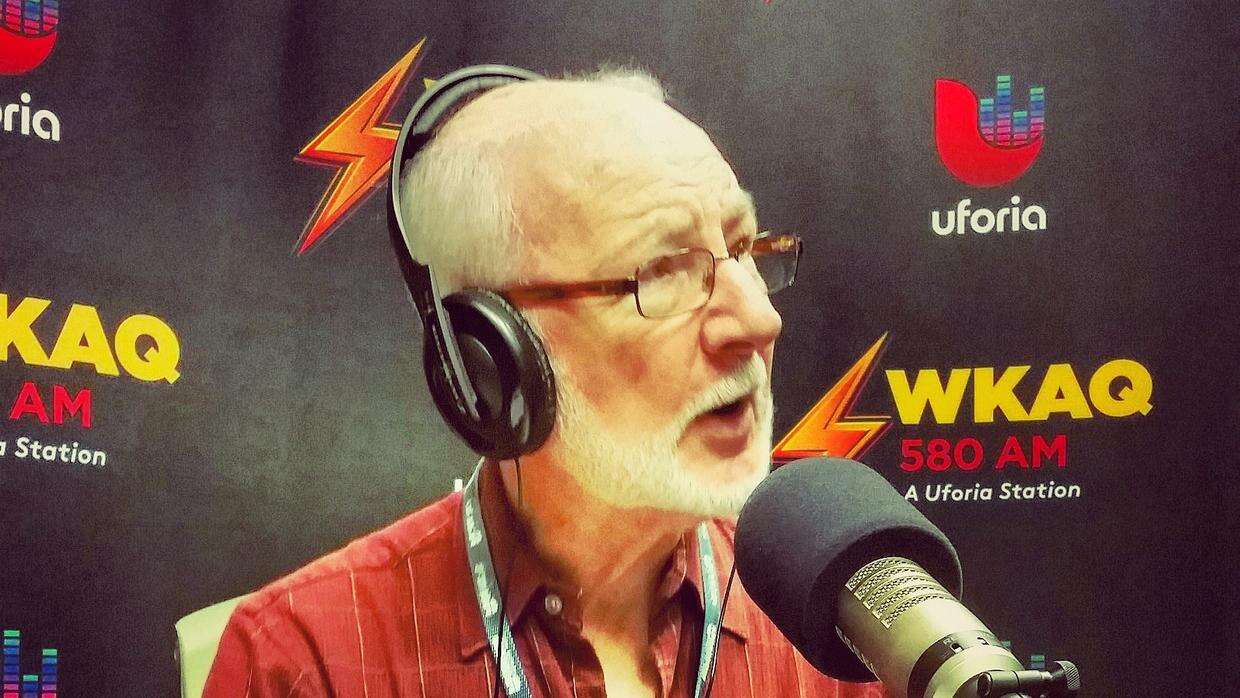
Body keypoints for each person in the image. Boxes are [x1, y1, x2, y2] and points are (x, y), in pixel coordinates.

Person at [203, 66, 889, 697]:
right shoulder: (304, 661)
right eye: (662, 271)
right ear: (492, 354)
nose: (759, 320)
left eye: (742, 248)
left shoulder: (842, 629)